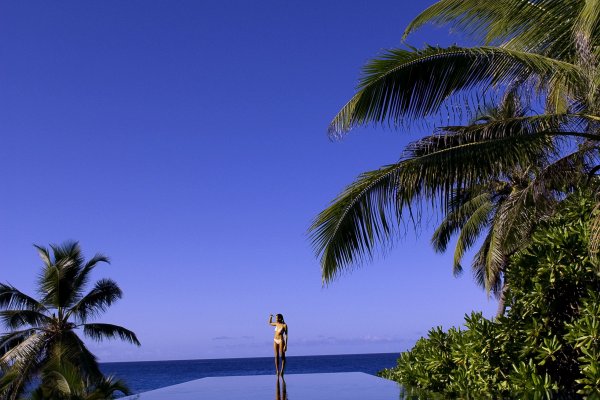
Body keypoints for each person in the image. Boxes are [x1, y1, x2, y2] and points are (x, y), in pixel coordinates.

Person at [268, 313, 288, 377]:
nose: (276, 319)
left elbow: (286, 335)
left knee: (282, 356)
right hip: (275, 340)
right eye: (275, 318)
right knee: (276, 356)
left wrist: (286, 345)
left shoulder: (284, 325)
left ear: (280, 318)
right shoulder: (276, 324)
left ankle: (282, 370)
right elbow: (270, 323)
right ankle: (277, 371)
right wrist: (270, 317)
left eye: (276, 318)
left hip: (281, 341)